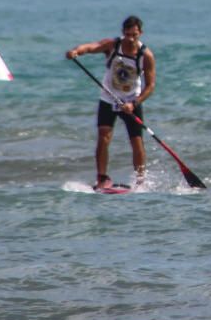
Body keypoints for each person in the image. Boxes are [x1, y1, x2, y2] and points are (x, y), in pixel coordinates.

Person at [65, 16, 155, 190]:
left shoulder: (146, 55)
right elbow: (91, 47)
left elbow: (150, 86)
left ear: (140, 33)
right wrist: (76, 52)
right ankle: (102, 177)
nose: (130, 38)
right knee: (104, 137)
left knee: (136, 141)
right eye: (127, 34)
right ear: (123, 33)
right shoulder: (113, 45)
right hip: (108, 98)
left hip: (131, 101)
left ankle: (140, 181)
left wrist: (134, 103)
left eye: (134, 35)